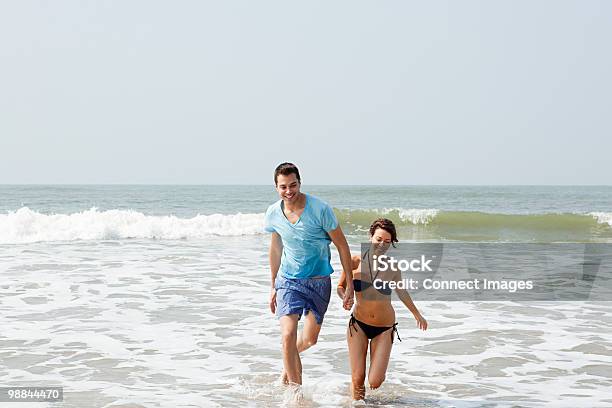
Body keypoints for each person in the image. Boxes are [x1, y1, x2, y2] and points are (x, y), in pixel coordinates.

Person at [264, 162, 355, 389]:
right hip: (288, 281)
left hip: (318, 282)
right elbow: (276, 248)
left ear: (300, 183)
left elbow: (342, 247)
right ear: (276, 187)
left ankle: (288, 362)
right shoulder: (273, 213)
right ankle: (295, 395)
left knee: (310, 340)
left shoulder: (320, 209)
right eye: (283, 187)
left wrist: (350, 285)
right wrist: (273, 285)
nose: (289, 191)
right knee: (287, 336)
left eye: (293, 185)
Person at [337, 218, 428, 402]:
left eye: (387, 242)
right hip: (358, 325)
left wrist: (417, 314)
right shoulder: (354, 261)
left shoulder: (392, 267)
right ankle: (357, 404)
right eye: (379, 239)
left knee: (375, 381)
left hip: (384, 327)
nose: (382, 244)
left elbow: (401, 292)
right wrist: (346, 297)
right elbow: (340, 286)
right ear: (371, 236)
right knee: (357, 378)